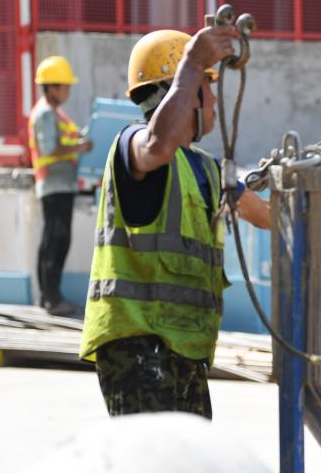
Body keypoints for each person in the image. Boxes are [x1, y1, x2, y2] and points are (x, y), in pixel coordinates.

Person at [78, 26, 271, 419]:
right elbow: (157, 145)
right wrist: (194, 62)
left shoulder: (206, 170)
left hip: (187, 349)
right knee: (155, 469)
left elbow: (270, 217)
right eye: (208, 85)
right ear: (181, 91)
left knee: (188, 469)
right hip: (137, 345)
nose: (214, 99)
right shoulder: (132, 144)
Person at [28, 56, 93, 316]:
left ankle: (49, 296)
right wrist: (80, 147)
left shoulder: (55, 113)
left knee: (54, 240)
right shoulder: (45, 113)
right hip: (54, 184)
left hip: (61, 184)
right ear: (52, 87)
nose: (67, 91)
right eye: (64, 86)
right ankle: (52, 298)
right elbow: (49, 147)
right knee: (56, 240)